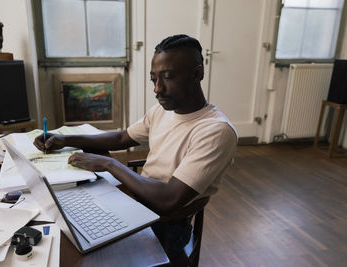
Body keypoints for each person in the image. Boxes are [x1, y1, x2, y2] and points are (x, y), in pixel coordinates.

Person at [34, 34, 237, 266]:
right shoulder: (162, 110)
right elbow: (122, 137)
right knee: (65, 221)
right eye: (154, 79)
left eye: (168, 77)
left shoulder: (215, 131)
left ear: (197, 74)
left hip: (167, 220)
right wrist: (65, 139)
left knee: (81, 251)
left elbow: (169, 199)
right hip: (137, 198)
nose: (157, 89)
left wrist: (108, 164)